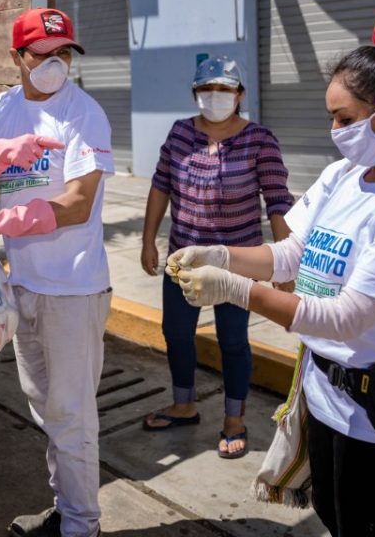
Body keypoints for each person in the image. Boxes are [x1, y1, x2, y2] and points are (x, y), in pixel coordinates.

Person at [168, 23, 375, 537]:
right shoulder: (342, 176)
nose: (335, 130)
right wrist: (222, 254)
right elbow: (291, 254)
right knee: (337, 518)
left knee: (367, 528)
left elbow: (347, 318)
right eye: (332, 118)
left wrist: (234, 290)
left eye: (345, 118)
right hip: (323, 393)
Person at [0, 7, 115, 537]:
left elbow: (78, 203)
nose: (55, 63)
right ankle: (66, 509)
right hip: (24, 284)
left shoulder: (83, 113)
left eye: (63, 53)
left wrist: (3, 221)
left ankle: (81, 527)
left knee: (72, 417)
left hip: (73, 288)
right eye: (43, 55)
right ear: (17, 58)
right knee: (46, 409)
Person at [141, 56, 293, 460]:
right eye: (207, 90)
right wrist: (147, 239)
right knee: (175, 333)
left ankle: (233, 419)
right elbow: (160, 187)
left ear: (239, 95)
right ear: (195, 94)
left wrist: (283, 261)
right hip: (183, 257)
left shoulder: (260, 139)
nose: (215, 97)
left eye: (225, 90)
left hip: (236, 262)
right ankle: (185, 405)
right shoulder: (179, 134)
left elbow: (278, 201)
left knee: (232, 340)